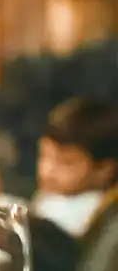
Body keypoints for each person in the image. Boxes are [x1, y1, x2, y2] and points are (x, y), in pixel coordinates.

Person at [32, 97, 118, 238]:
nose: (47, 171)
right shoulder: (54, 195)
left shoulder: (88, 215)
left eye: (67, 163)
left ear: (104, 169)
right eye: (44, 156)